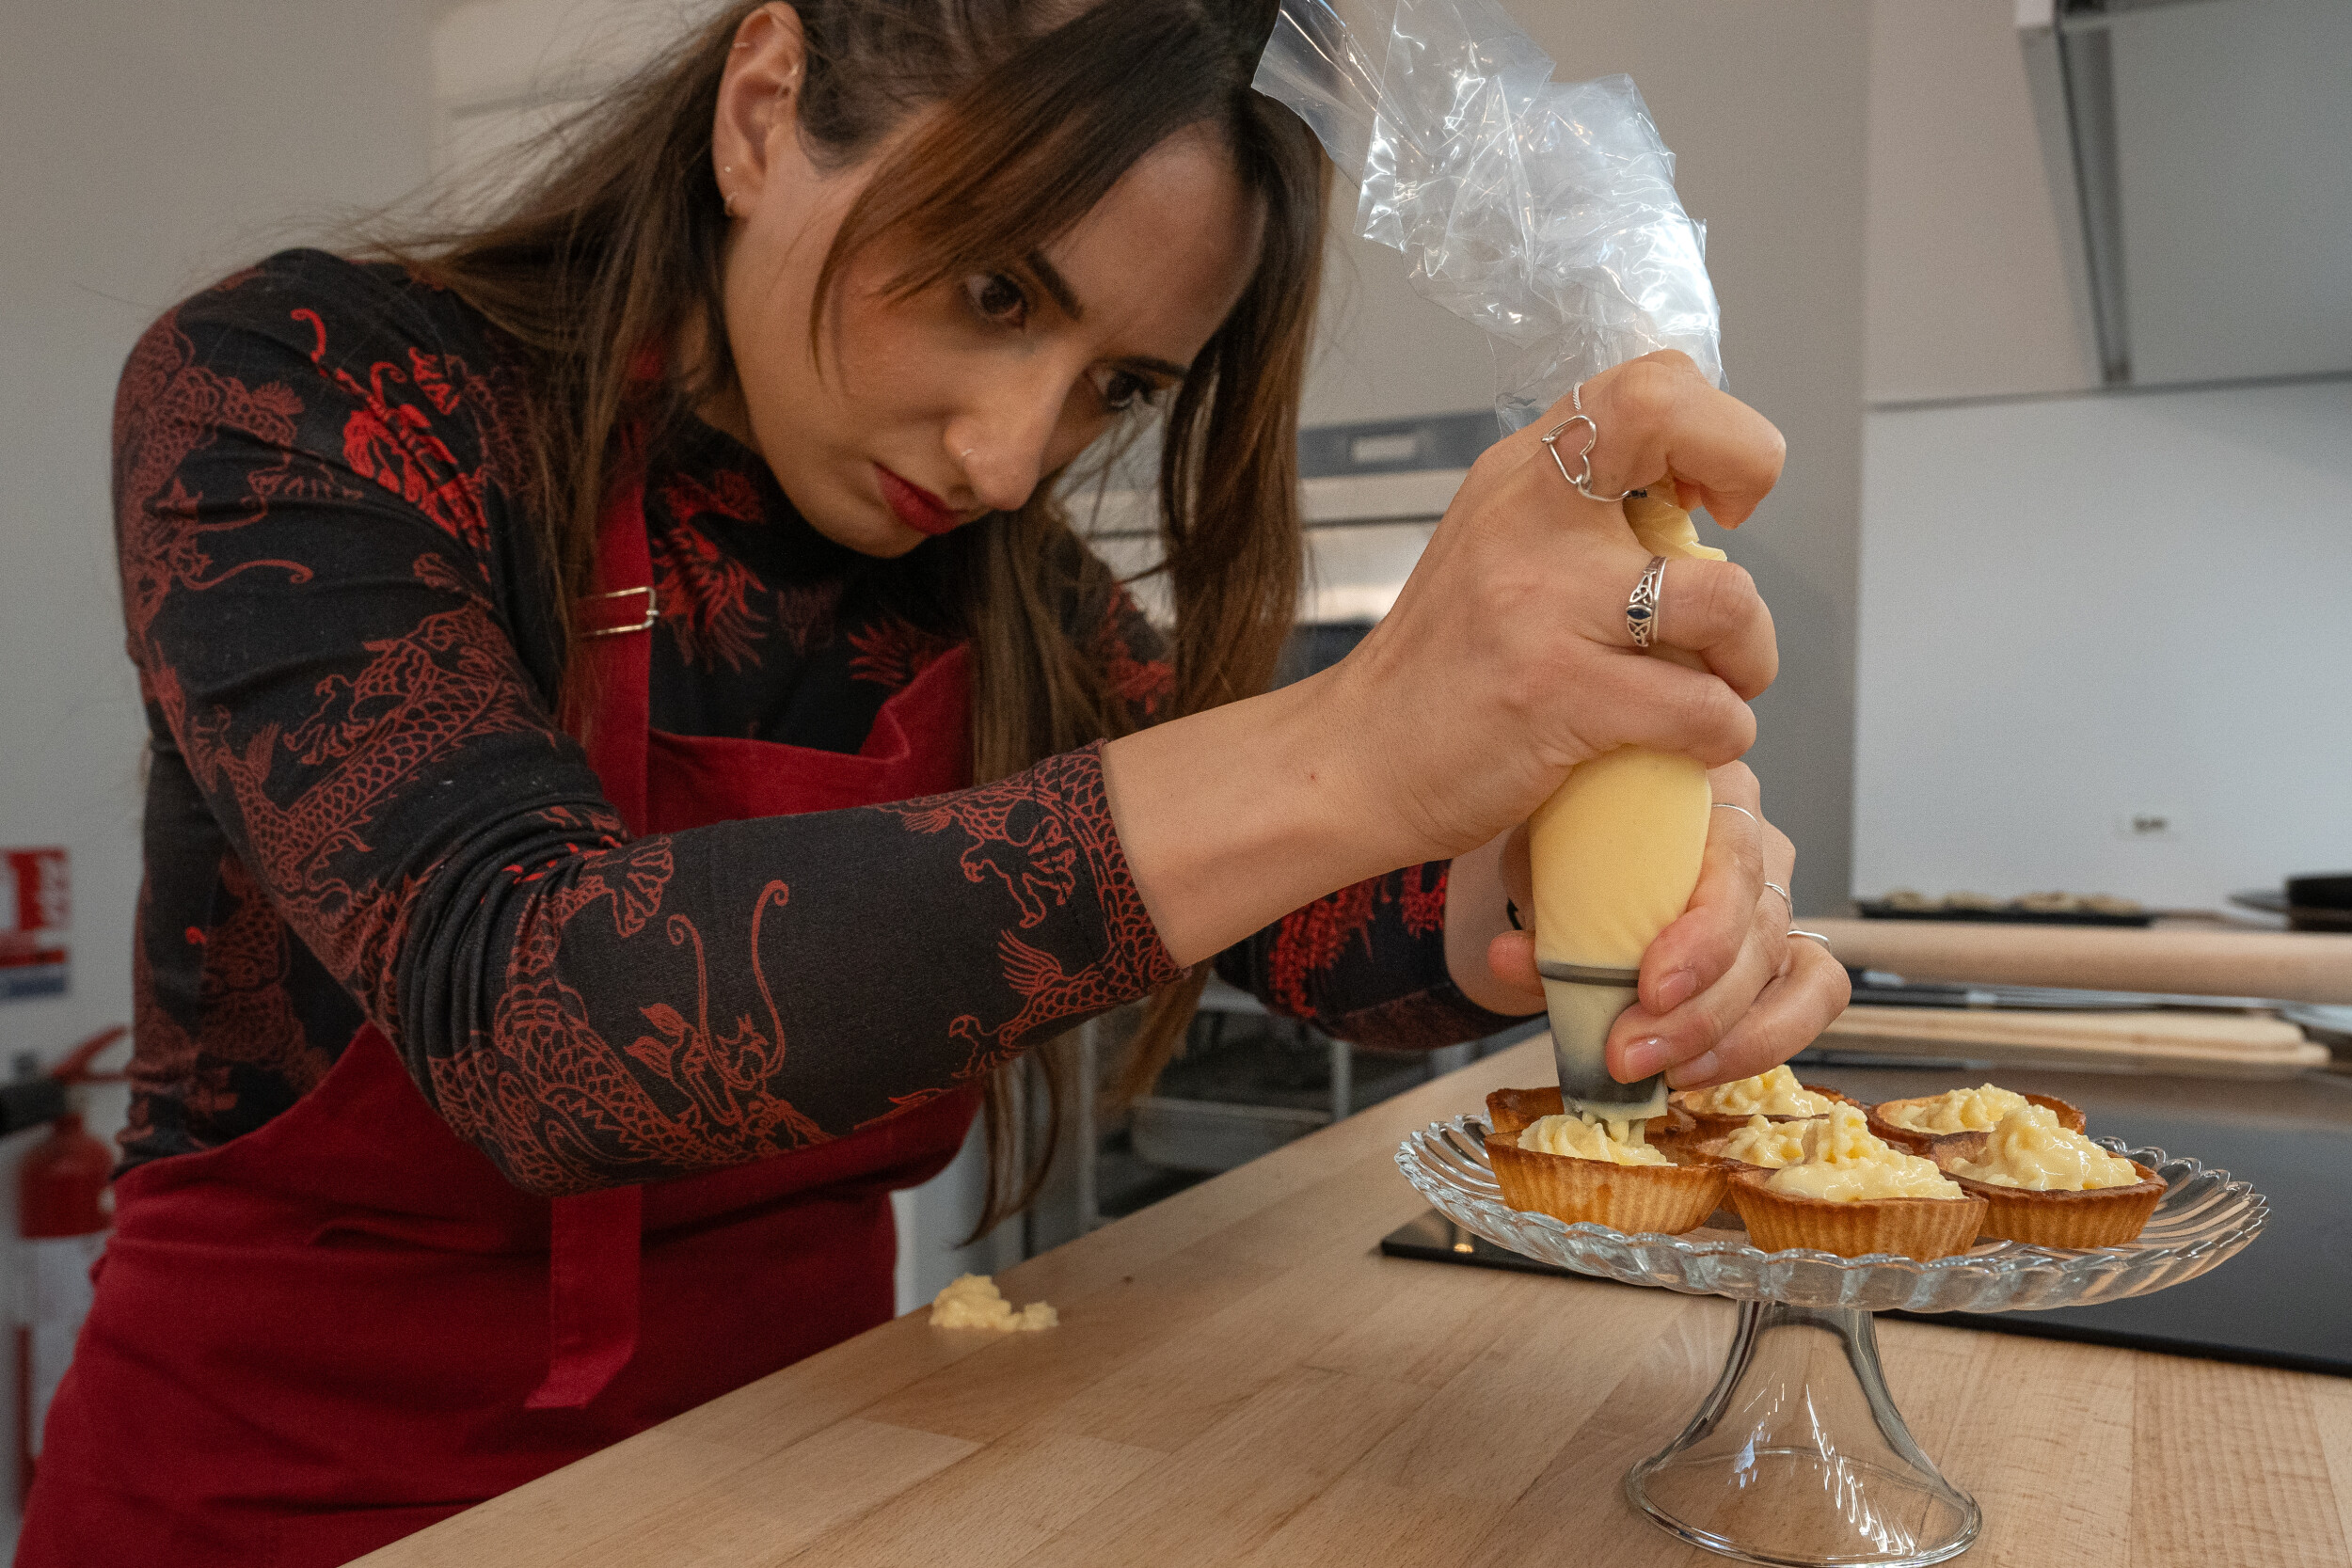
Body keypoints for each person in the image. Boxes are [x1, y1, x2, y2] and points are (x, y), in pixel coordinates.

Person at [21, 1, 1845, 1560]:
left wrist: (1582, 859)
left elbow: (1339, 942)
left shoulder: (1009, 601)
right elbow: (539, 1006)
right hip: (278, 1512)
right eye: (988, 290)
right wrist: (1350, 740)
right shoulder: (306, 395)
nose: (1009, 453)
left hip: (804, 1490)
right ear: (761, 111)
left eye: (1114, 387)